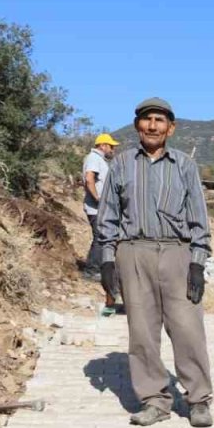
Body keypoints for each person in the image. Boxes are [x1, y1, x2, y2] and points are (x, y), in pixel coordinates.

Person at [97, 97, 214, 428]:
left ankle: (198, 400)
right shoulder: (120, 165)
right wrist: (107, 261)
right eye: (147, 119)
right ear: (137, 126)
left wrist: (197, 263)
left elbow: (199, 219)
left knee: (188, 329)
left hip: (178, 253)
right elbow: (107, 215)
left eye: (160, 120)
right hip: (133, 252)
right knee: (142, 331)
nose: (152, 125)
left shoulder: (185, 166)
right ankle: (154, 400)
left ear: (171, 128)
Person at [84, 133, 121, 315]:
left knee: (100, 237)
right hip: (96, 209)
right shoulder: (93, 158)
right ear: (103, 145)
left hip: (100, 208)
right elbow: (89, 178)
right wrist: (98, 199)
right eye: (111, 146)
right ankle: (91, 270)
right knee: (100, 237)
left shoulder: (99, 160)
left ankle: (94, 268)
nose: (112, 150)